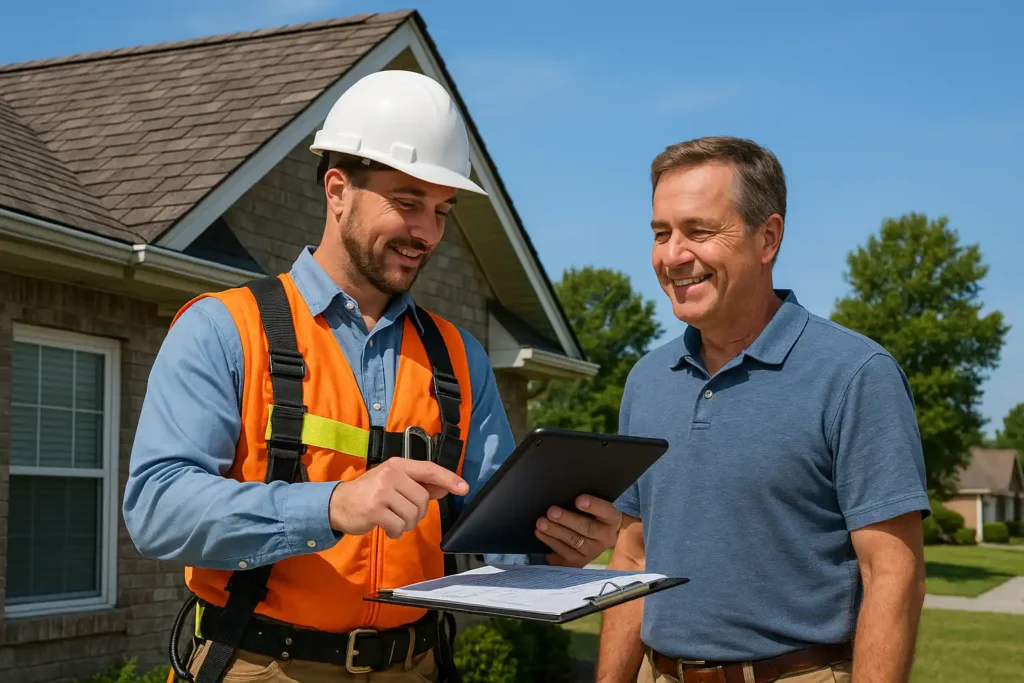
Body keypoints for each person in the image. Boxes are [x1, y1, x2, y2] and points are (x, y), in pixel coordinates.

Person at [122, 70, 619, 683]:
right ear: (337, 191)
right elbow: (156, 510)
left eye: (441, 210)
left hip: (418, 664)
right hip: (261, 665)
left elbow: (493, 525)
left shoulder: (460, 358)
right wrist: (332, 505)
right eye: (408, 203)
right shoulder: (225, 329)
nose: (427, 233)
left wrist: (554, 542)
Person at [596, 136, 930, 683]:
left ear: (767, 237)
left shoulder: (855, 373)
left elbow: (894, 573)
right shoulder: (646, 381)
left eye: (699, 231)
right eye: (661, 233)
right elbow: (632, 558)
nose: (673, 255)